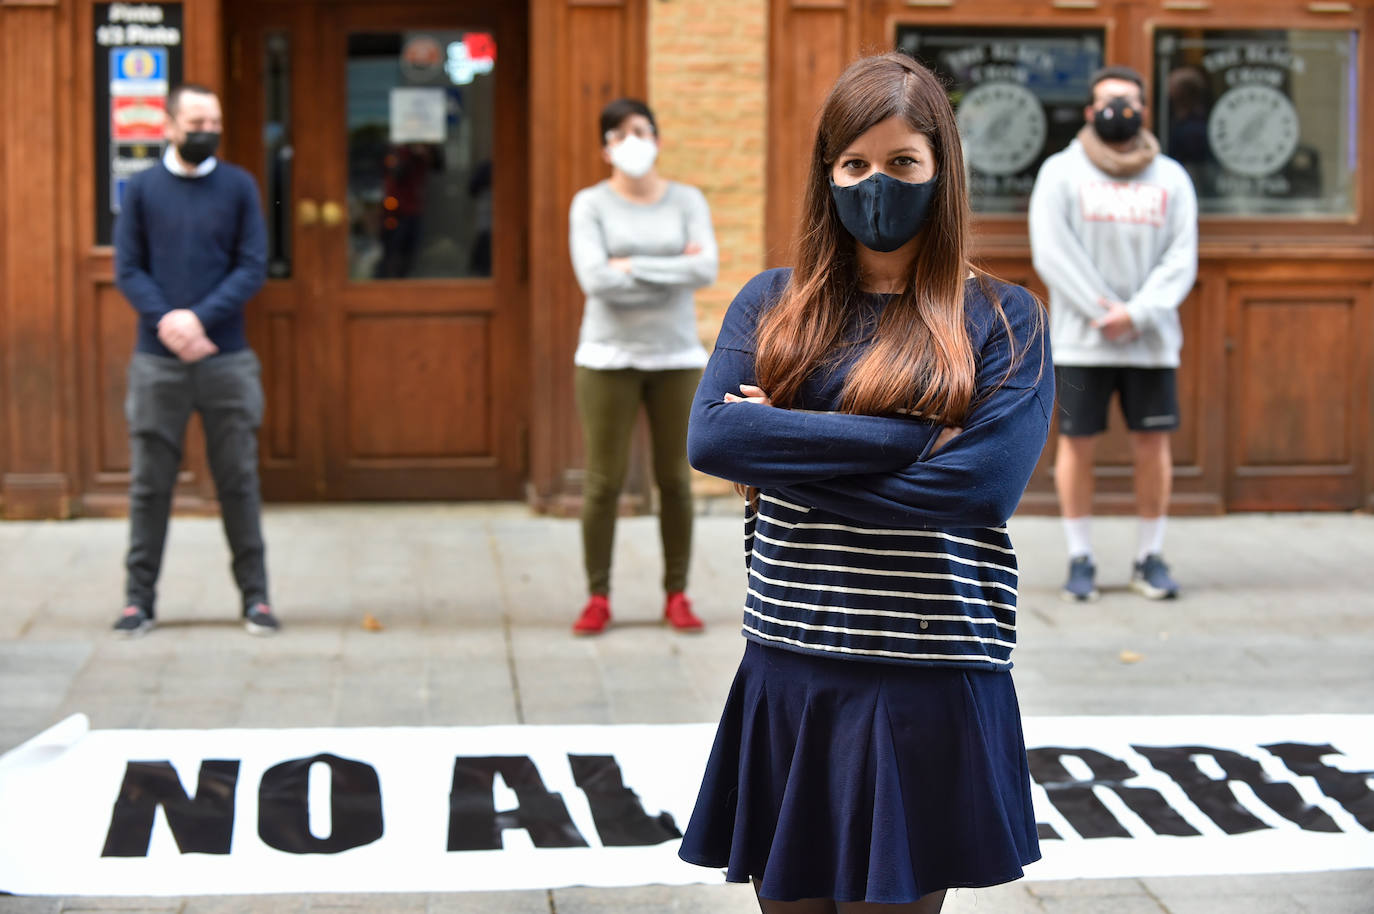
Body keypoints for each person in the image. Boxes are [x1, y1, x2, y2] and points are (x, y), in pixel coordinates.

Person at [678, 53, 1051, 912]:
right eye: (854, 165)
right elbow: (713, 435)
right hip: (793, 667)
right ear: (827, 174)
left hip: (928, 675)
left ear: (941, 171)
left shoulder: (1001, 316)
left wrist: (787, 450)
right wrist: (914, 437)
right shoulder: (772, 304)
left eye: (902, 163)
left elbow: (979, 489)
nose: (876, 183)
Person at [111, 83, 276, 637]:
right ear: (171, 126)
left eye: (215, 120)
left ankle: (256, 599)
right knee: (150, 484)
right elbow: (129, 268)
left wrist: (199, 319)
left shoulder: (239, 187)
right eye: (197, 120)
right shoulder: (142, 190)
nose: (208, 130)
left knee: (239, 480)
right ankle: (139, 601)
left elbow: (252, 266)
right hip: (157, 362)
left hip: (226, 358)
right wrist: (169, 321)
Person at [1028, 65, 1198, 603]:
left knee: (1153, 444)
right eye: (1107, 101)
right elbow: (1053, 251)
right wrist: (1104, 310)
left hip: (1150, 342)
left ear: (1144, 111)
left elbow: (1182, 257)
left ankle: (1151, 556)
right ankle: (1081, 558)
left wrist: (1139, 313)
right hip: (1084, 338)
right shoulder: (1060, 172)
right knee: (1077, 445)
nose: (1117, 110)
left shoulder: (1171, 177)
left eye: (1127, 101)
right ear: (1088, 111)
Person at [567, 98, 719, 636]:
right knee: (603, 483)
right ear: (605, 146)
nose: (634, 141)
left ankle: (677, 593)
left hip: (676, 357)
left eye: (643, 130)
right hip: (607, 357)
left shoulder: (686, 200)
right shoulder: (590, 205)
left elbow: (706, 268)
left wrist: (629, 263)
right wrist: (671, 266)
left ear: (657, 138)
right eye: (621, 133)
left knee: (675, 480)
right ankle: (597, 596)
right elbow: (595, 280)